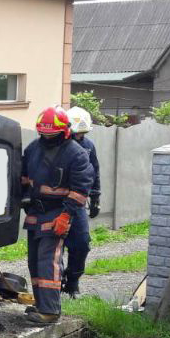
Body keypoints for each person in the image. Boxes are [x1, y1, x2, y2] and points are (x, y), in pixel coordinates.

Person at [17, 106, 92, 326]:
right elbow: (23, 178)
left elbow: (81, 189)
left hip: (58, 212)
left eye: (52, 134)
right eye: (44, 133)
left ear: (64, 131)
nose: (47, 138)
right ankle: (42, 304)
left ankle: (50, 311)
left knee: (48, 261)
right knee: (34, 262)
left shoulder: (76, 154)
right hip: (35, 213)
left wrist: (66, 216)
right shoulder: (33, 149)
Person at [62, 106, 101, 298]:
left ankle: (73, 282)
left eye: (83, 134)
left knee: (82, 244)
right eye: (77, 134)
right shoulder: (58, 146)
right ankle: (55, 281)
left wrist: (96, 198)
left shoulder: (89, 146)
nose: (79, 137)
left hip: (78, 204)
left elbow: (95, 171)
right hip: (58, 203)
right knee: (55, 245)